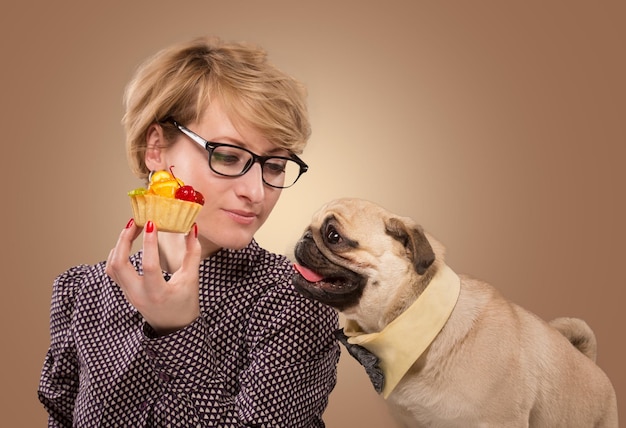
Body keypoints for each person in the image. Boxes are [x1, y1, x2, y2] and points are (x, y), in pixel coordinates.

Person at [38, 36, 340, 427]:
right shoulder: (81, 293)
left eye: (276, 166)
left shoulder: (296, 300)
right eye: (228, 156)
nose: (256, 191)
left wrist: (178, 330)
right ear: (156, 149)